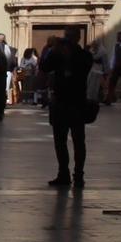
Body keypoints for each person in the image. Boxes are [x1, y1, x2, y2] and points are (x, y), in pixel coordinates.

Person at [46, 29, 95, 190]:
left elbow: (84, 67)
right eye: (66, 37)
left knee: (78, 141)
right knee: (61, 142)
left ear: (77, 38)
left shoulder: (83, 55)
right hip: (61, 102)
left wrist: (66, 54)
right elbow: (44, 66)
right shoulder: (58, 54)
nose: (67, 40)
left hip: (75, 103)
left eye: (69, 37)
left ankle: (78, 175)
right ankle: (64, 174)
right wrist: (52, 49)